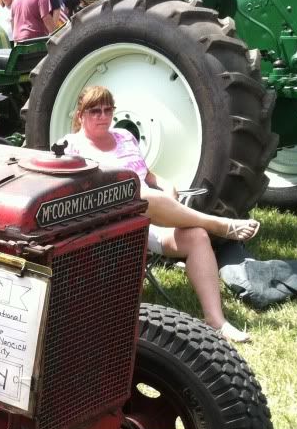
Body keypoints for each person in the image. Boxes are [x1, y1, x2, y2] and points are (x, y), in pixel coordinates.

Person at [62, 86, 258, 342]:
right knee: (140, 194)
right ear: (80, 115)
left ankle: (216, 320)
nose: (103, 116)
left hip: (149, 220)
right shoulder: (70, 146)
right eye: (95, 111)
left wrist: (166, 184)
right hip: (109, 224)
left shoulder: (124, 136)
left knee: (197, 236)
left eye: (108, 109)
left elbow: (147, 174)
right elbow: (71, 195)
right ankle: (218, 224)